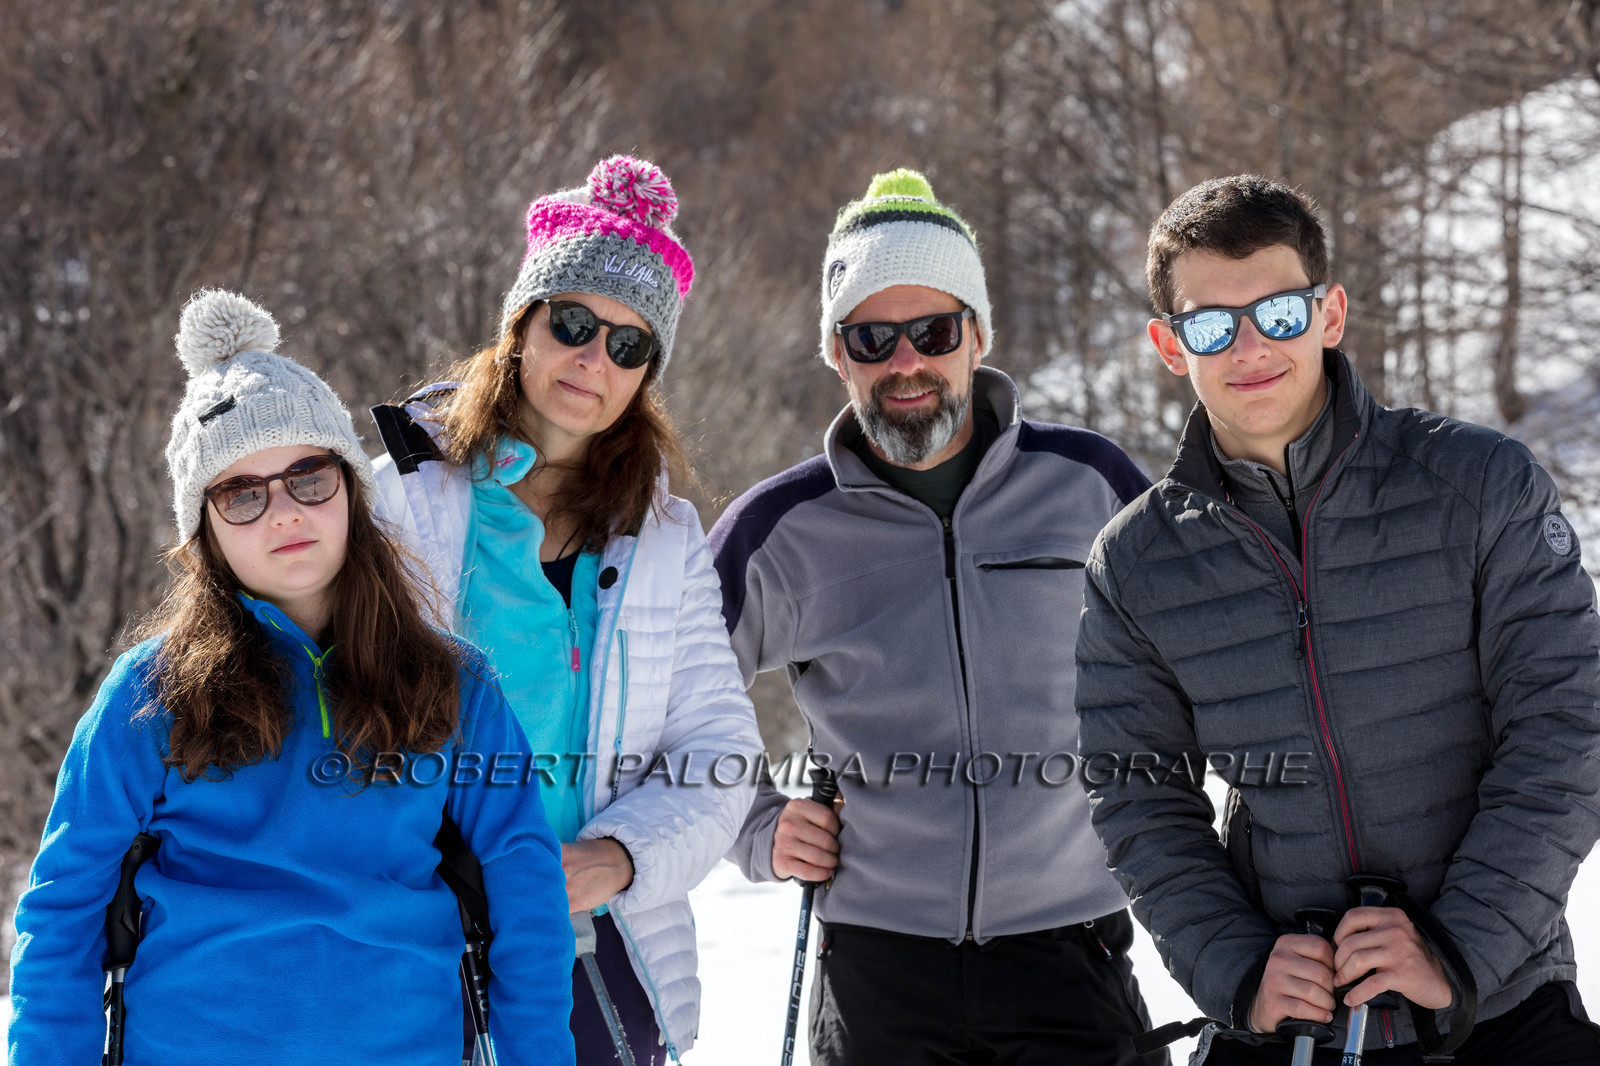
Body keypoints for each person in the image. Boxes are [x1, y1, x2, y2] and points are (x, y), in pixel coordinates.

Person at [1075, 174, 1600, 1064]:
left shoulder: (1480, 485)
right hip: (1291, 1018)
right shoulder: (1136, 564)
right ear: (1170, 344)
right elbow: (1139, 797)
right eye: (1212, 325)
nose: (1250, 348)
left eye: (1278, 312)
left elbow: (1565, 725)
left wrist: (1458, 950)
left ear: (1329, 313)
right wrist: (1238, 970)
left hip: (1499, 1003)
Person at [7, 290, 575, 1064]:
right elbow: (63, 910)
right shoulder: (150, 692)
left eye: (309, 476)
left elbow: (526, 889)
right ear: (202, 529)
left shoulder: (454, 682)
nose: (284, 512)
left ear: (350, 491)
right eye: (242, 493)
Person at [712, 168, 1164, 1065]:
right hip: (879, 972)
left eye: (932, 330)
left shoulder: (1090, 484)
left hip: (1069, 953)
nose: (905, 362)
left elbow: (1205, 649)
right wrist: (755, 825)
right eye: (872, 338)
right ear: (837, 355)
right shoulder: (782, 530)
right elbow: (663, 700)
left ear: (978, 335)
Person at [369, 154, 762, 1065]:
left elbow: (720, 751)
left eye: (630, 346)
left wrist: (620, 857)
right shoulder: (402, 500)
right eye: (575, 322)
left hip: (595, 949)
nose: (595, 359)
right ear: (521, 324)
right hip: (418, 937)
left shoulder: (663, 537)